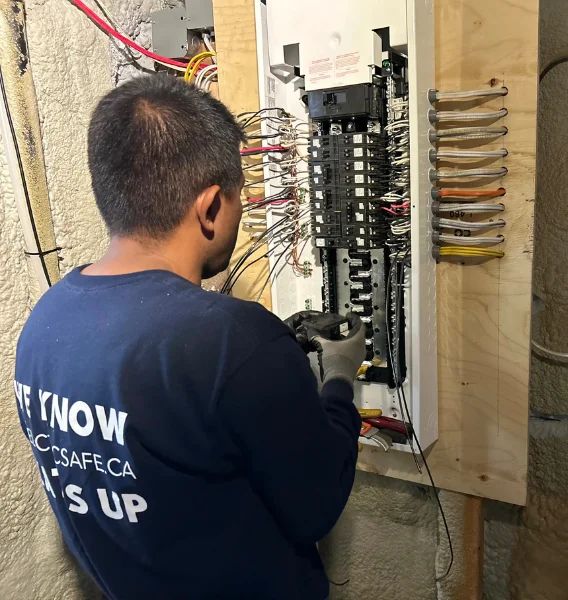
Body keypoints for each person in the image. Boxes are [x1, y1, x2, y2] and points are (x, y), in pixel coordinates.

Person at [13, 74, 364, 600]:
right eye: (238, 196)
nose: (241, 212)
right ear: (209, 208)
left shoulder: (42, 325)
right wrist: (339, 379)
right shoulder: (236, 340)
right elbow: (316, 506)